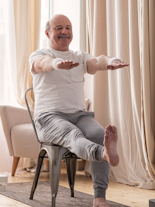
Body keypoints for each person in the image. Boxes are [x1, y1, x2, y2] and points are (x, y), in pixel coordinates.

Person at [29, 14, 129, 207]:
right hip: (49, 118)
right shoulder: (39, 54)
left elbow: (96, 61)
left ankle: (99, 197)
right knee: (73, 135)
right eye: (58, 28)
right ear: (47, 32)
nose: (64, 31)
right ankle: (103, 154)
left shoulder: (79, 56)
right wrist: (57, 64)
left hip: (79, 115)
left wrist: (110, 62)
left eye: (68, 27)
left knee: (100, 134)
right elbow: (44, 63)